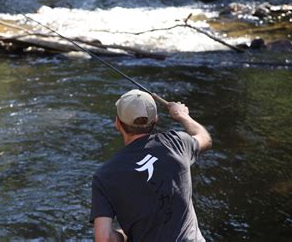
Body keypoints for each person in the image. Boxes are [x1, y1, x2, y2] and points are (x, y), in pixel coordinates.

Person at [90, 89, 212, 241]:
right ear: (155, 119)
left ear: (117, 123)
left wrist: (126, 235)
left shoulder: (104, 175)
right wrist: (182, 116)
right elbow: (205, 139)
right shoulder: (177, 142)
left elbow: (104, 238)